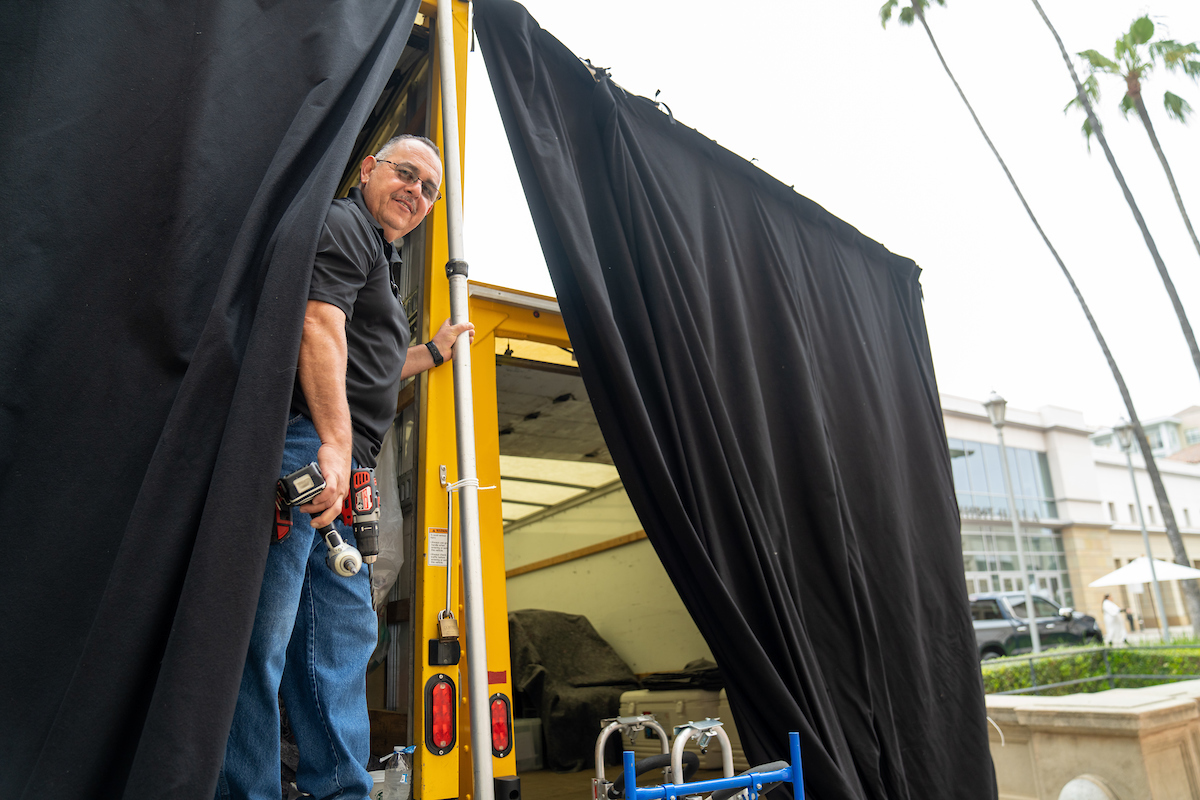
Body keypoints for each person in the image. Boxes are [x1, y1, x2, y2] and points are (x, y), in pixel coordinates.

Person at [217, 134, 473, 800]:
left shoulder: (381, 259)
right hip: (307, 451)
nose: (417, 193)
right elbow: (317, 325)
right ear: (368, 169)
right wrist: (333, 443)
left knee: (341, 642)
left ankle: (343, 793)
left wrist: (434, 354)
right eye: (406, 174)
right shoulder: (344, 225)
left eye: (429, 190)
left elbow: (373, 363)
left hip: (343, 468)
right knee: (262, 641)